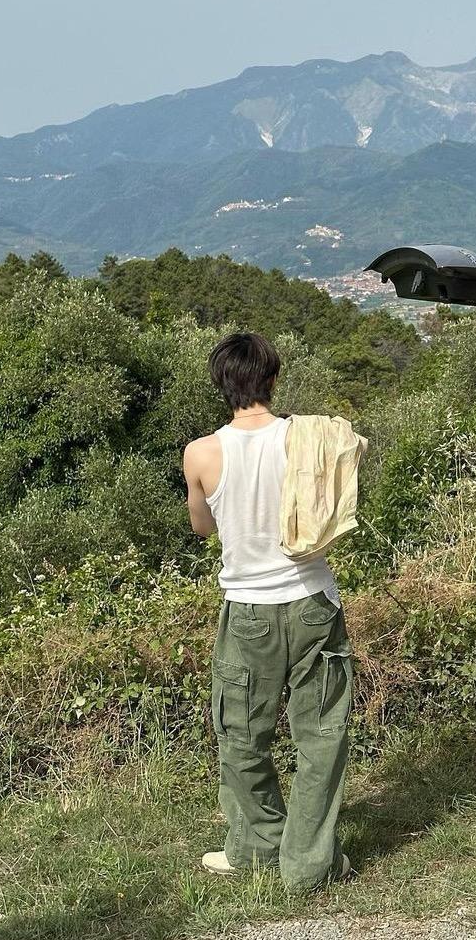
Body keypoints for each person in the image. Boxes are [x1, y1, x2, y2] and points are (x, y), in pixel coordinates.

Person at [183, 332, 352, 889]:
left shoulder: (202, 453)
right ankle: (308, 865)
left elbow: (202, 527)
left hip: (248, 610)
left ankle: (258, 845)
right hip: (312, 603)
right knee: (321, 737)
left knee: (240, 735)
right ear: (273, 379)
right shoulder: (309, 439)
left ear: (222, 385)